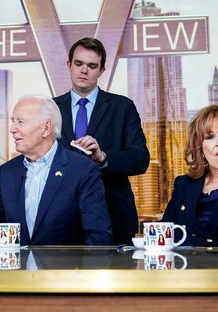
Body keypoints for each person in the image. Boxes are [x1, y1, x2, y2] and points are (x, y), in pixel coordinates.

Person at [0, 95, 113, 248]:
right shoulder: (7, 172)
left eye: (20, 122)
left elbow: (98, 237)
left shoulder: (82, 170)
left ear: (46, 128)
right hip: (16, 280)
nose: (12, 129)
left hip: (63, 281)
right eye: (12, 122)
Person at [53, 37, 149, 245]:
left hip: (113, 215)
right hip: (60, 218)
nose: (84, 70)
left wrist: (103, 158)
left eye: (92, 66)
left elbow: (140, 159)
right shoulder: (50, 109)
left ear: (102, 70)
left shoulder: (123, 107)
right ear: (69, 65)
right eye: (78, 64)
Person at [162, 105, 218, 247]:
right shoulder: (183, 185)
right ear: (200, 146)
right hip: (186, 266)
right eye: (210, 137)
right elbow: (164, 233)